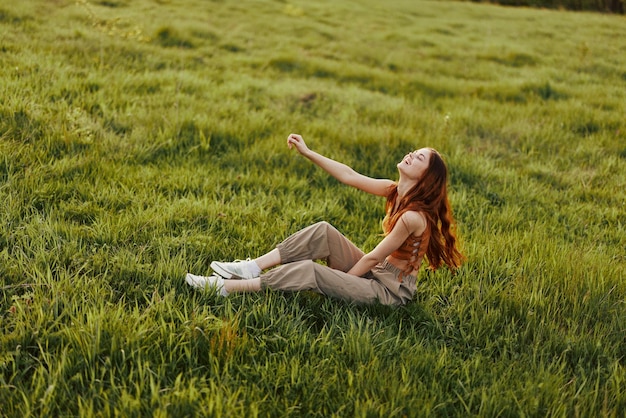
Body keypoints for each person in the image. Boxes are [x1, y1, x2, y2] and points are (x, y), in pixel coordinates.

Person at [185, 133, 464, 306]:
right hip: (376, 274)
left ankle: (225, 288)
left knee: (311, 271)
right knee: (323, 231)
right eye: (414, 152)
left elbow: (370, 259)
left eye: (418, 159)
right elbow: (349, 175)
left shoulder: (413, 217)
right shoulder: (395, 190)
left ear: (426, 178)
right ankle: (252, 267)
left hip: (388, 293)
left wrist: (336, 280)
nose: (410, 155)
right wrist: (308, 152)